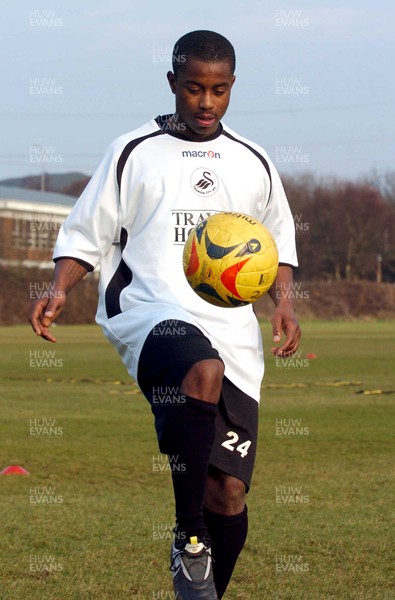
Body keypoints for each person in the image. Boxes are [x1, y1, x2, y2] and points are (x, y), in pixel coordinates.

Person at [29, 30, 301, 600]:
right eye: (195, 88)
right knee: (198, 368)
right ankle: (189, 540)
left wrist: (286, 305)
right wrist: (58, 287)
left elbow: (276, 245)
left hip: (234, 332)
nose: (206, 102)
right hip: (150, 313)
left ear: (232, 88)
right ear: (173, 83)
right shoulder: (133, 152)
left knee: (226, 491)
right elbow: (86, 233)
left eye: (219, 90)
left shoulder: (253, 160)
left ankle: (203, 582)